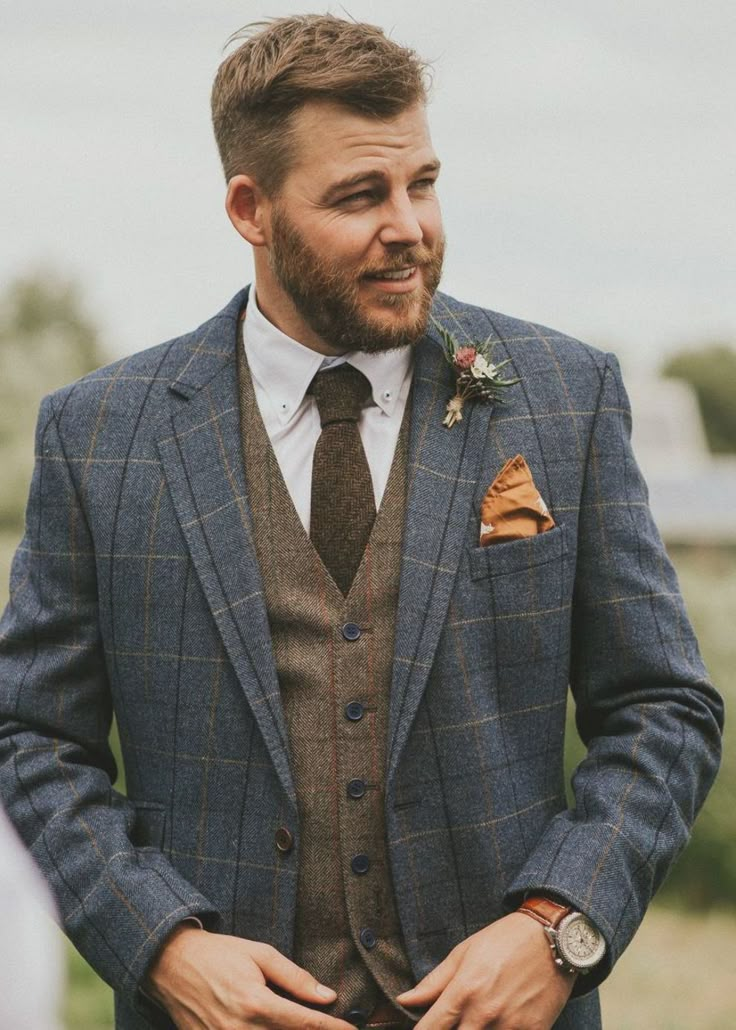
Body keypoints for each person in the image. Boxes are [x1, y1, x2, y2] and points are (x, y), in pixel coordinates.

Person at [0, 14, 723, 1030]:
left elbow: (662, 707)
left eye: (420, 183)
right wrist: (160, 943)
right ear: (250, 209)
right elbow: (30, 735)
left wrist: (559, 926)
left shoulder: (562, 396)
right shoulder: (100, 434)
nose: (410, 226)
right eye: (358, 196)